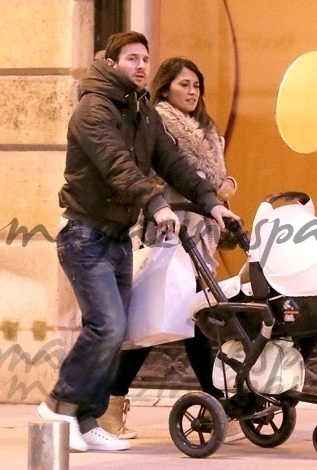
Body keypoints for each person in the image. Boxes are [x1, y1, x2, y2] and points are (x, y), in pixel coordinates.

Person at [36, 32, 239, 453]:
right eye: (132, 58)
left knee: (118, 329)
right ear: (111, 63)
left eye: (146, 58)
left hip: (115, 239)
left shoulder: (143, 112)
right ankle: (59, 406)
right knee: (105, 325)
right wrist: (156, 203)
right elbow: (118, 166)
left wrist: (210, 203)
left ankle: (88, 418)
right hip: (84, 234)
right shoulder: (93, 110)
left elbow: (174, 163)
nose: (142, 65)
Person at [97, 57, 244, 443]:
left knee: (175, 318)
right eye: (184, 84)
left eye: (197, 84)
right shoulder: (158, 121)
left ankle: (114, 403)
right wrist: (214, 188)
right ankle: (213, 404)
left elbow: (211, 177)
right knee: (177, 319)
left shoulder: (207, 129)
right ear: (166, 88)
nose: (192, 91)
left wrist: (220, 188)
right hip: (169, 231)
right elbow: (167, 173)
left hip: (197, 233)